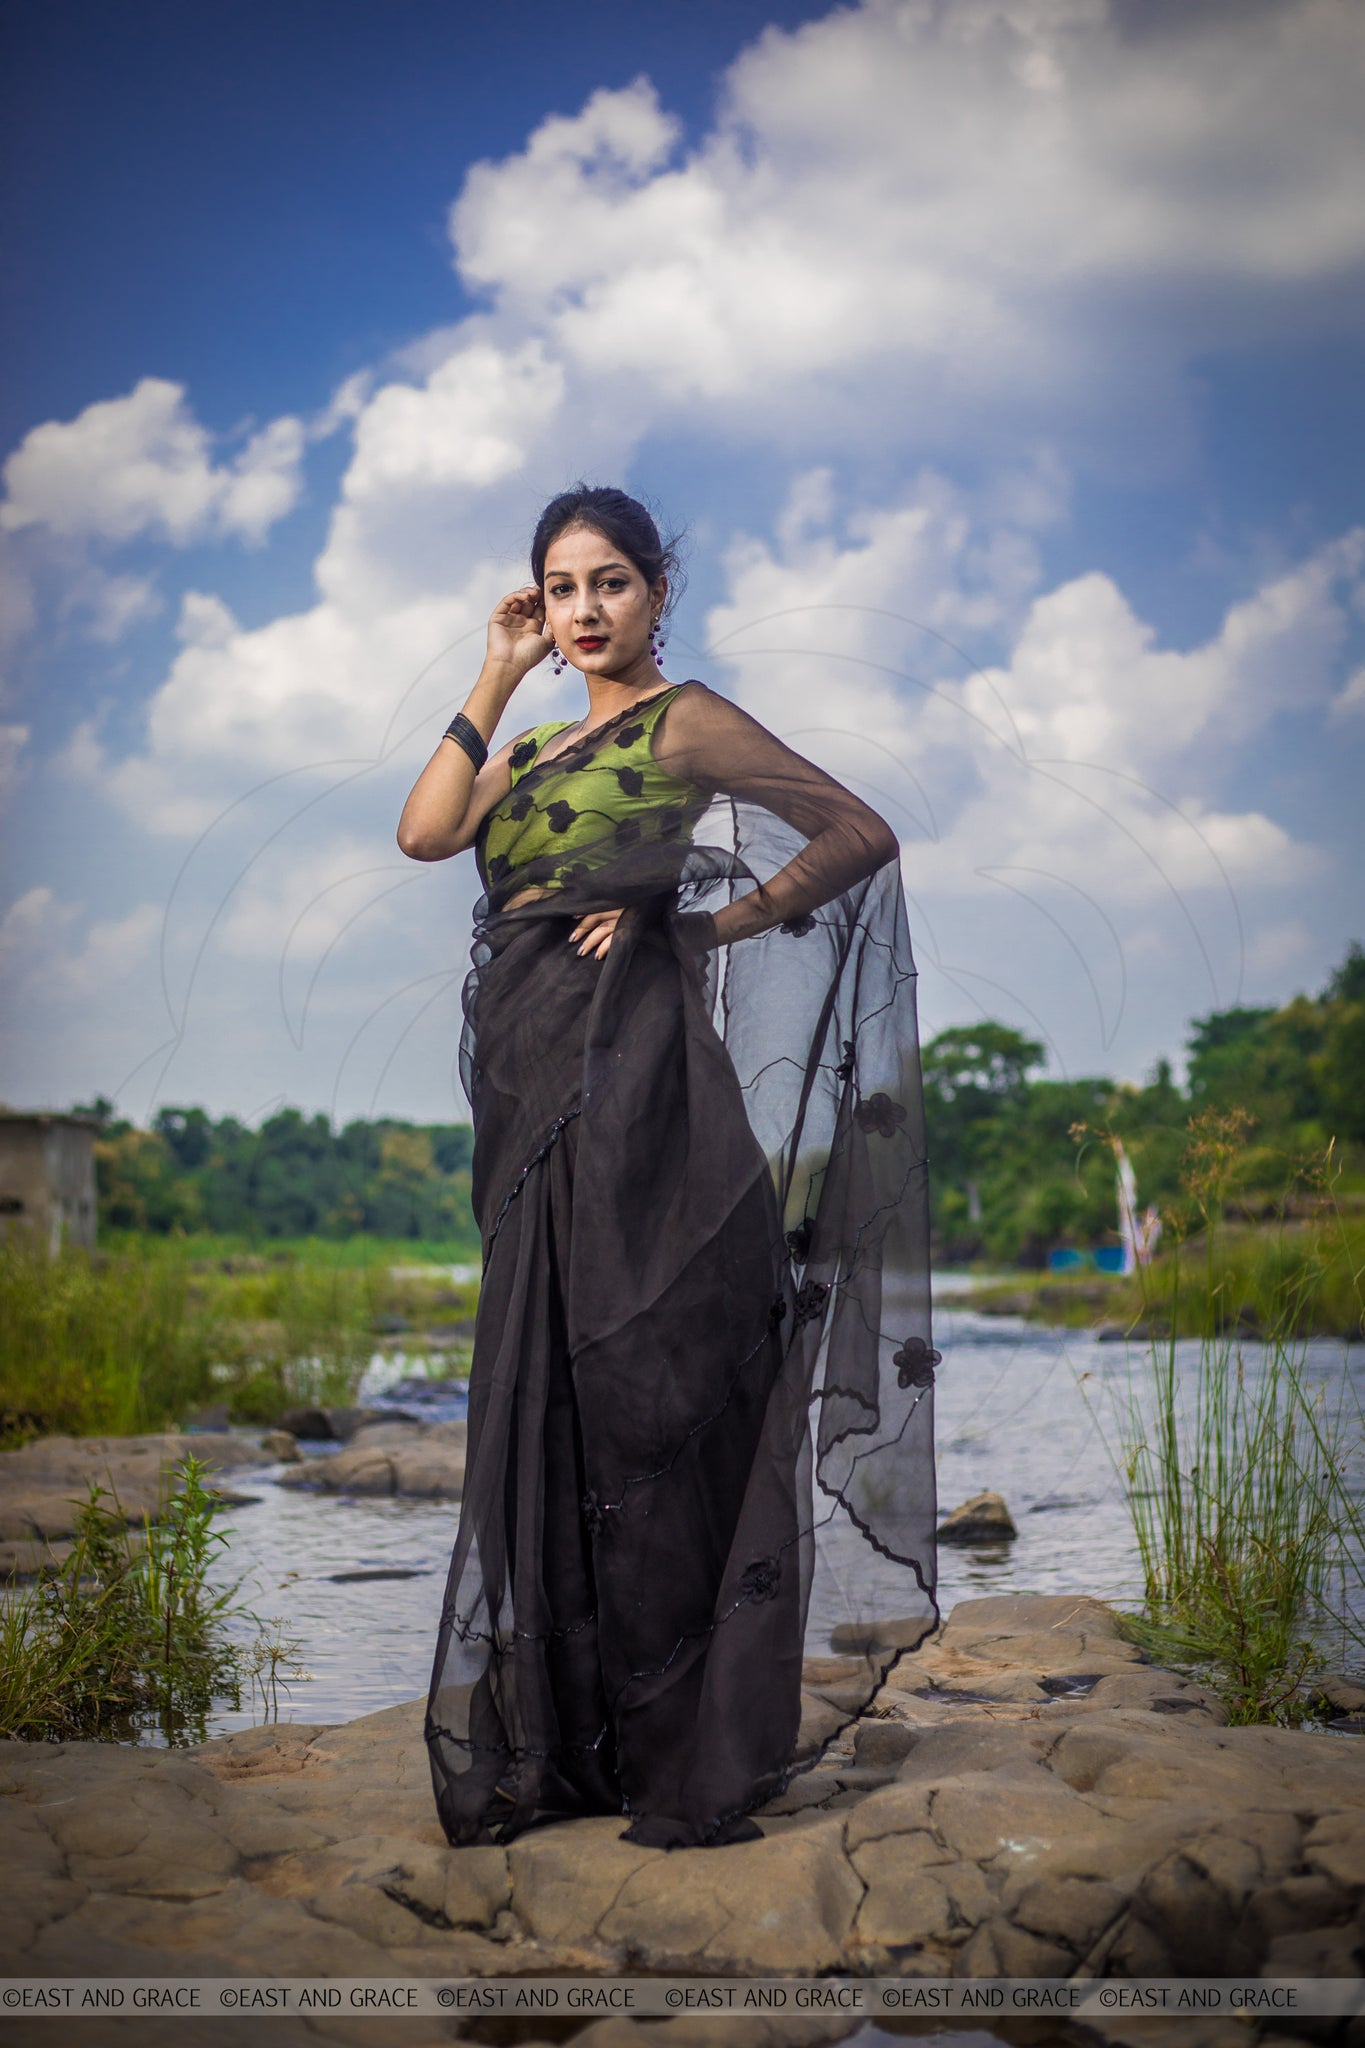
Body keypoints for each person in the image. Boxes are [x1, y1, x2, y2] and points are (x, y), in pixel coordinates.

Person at [398, 484, 937, 1852]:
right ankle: (584, 1741)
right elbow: (424, 832)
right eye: (559, 589)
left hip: (638, 1080)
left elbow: (855, 829)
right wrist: (495, 666)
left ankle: (685, 1737)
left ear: (656, 593)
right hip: (527, 1094)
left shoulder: (681, 719)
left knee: (656, 1381)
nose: (584, 611)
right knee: (557, 1386)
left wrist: (709, 929)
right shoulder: (522, 748)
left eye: (609, 586)